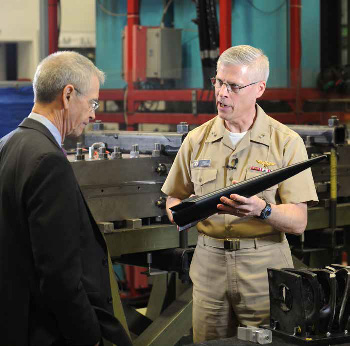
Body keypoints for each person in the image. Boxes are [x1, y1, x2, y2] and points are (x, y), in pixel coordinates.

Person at [162, 45, 318, 342]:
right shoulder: (197, 140)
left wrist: (263, 210)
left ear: (259, 89)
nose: (222, 93)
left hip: (262, 267)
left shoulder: (285, 143)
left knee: (263, 340)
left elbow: (298, 222)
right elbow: (173, 198)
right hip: (209, 264)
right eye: (219, 82)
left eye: (233, 86)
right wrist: (182, 213)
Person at [0, 51, 131, 346]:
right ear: (68, 94)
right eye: (92, 102)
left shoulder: (7, 145)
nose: (94, 114)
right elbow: (59, 274)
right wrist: (89, 338)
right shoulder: (48, 161)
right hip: (47, 332)